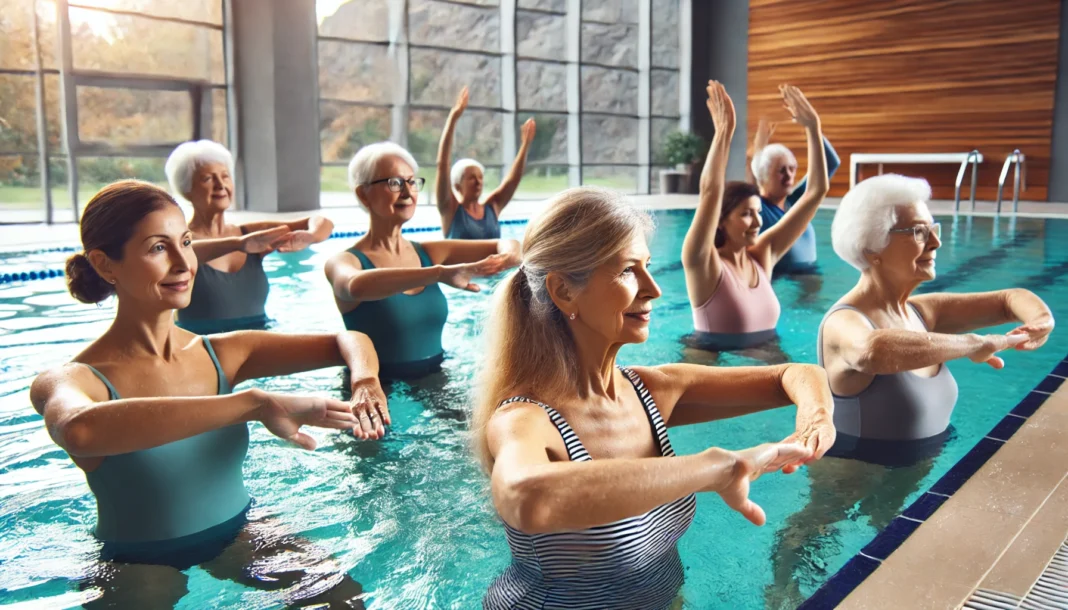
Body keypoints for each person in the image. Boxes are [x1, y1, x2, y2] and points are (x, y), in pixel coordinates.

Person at [473, 186, 837, 609]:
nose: (654, 289)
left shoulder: (650, 391)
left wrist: (817, 416)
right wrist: (716, 468)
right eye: (628, 271)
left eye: (647, 266)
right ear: (564, 291)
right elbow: (525, 497)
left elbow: (795, 374)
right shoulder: (526, 419)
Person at [32, 181, 388, 608]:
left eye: (186, 242)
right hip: (136, 560)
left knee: (343, 599)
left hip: (238, 532)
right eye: (158, 248)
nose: (184, 263)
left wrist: (365, 382)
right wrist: (254, 404)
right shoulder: (73, 379)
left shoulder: (223, 353)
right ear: (105, 263)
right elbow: (79, 430)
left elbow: (351, 340)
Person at [765, 173, 1054, 609]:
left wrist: (1041, 321)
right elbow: (872, 351)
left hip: (919, 464)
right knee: (814, 530)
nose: (936, 241)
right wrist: (973, 344)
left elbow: (1009, 299)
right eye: (919, 232)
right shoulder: (844, 322)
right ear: (872, 248)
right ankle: (779, 595)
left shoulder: (920, 312)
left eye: (932, 228)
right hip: (852, 472)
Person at [325, 142, 521, 379]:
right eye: (395, 183)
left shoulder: (428, 252)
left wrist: (508, 257)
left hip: (438, 381)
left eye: (412, 182)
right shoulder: (343, 261)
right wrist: (439, 273)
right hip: (379, 390)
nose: (408, 193)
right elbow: (354, 286)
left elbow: (505, 244)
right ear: (363, 194)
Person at [682, 81, 829, 352]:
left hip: (767, 359)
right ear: (721, 220)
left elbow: (816, 192)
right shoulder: (703, 263)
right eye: (747, 214)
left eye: (759, 212)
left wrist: (813, 127)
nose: (758, 222)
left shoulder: (763, 255)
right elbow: (710, 192)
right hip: (710, 362)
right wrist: (723, 134)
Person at [165, 140, 335, 333]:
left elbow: (322, 221)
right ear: (186, 190)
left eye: (225, 176)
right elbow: (182, 254)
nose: (221, 185)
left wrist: (310, 236)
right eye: (208, 179)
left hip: (258, 340)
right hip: (201, 345)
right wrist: (239, 244)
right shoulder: (180, 242)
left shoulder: (248, 234)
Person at [436, 86, 536, 239]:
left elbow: (512, 180)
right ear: (457, 185)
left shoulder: (492, 207)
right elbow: (442, 165)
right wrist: (453, 118)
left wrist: (525, 145)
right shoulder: (449, 209)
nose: (478, 182)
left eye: (480, 177)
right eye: (471, 178)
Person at [747, 118, 841, 274]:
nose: (789, 175)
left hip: (807, 282)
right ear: (763, 176)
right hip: (785, 283)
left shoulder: (796, 201)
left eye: (792, 169)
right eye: (781, 170)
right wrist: (758, 148)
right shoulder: (758, 209)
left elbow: (831, 162)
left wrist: (811, 128)